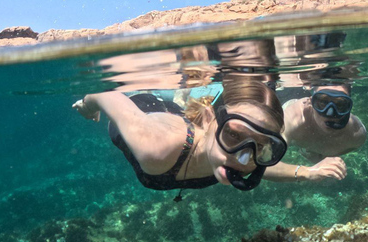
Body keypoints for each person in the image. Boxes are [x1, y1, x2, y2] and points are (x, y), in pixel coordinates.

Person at [72, 79, 287, 197]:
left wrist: (306, 173)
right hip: (144, 105)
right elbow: (103, 94)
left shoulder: (237, 158)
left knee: (181, 106)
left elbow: (265, 168)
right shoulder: (155, 146)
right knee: (151, 92)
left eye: (259, 146)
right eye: (233, 134)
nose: (243, 160)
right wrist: (87, 107)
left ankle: (181, 97)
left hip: (181, 118)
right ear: (211, 118)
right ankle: (163, 89)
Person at [262, 84, 367, 183]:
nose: (330, 113)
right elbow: (258, 165)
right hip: (286, 99)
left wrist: (321, 157)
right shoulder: (294, 119)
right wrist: (307, 172)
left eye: (340, 104)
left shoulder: (356, 134)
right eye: (322, 102)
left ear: (348, 107)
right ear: (311, 102)